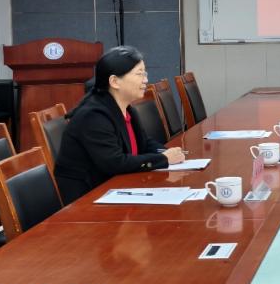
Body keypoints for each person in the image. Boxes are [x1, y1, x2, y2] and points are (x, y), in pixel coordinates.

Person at [54, 46, 185, 204]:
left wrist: (167, 152)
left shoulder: (125, 108)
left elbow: (144, 143)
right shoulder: (93, 116)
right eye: (139, 74)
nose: (145, 80)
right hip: (88, 201)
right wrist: (163, 159)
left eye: (145, 73)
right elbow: (115, 163)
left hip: (117, 188)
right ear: (115, 81)